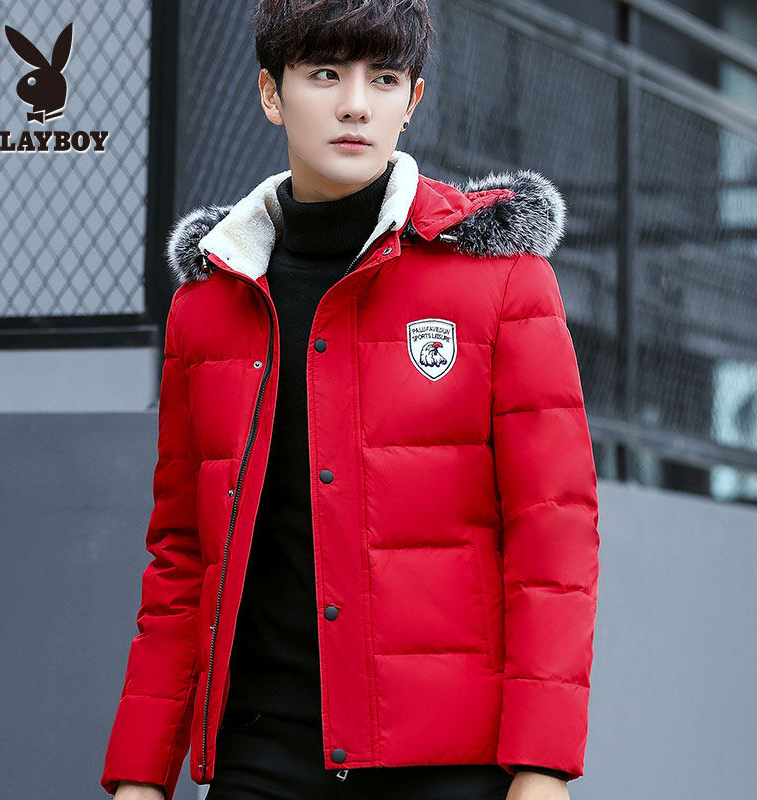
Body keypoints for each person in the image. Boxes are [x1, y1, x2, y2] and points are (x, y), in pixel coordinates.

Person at [101, 1, 600, 799]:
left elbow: (554, 540)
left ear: (413, 101)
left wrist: (543, 768)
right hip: (261, 758)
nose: (356, 104)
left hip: (445, 766)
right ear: (272, 93)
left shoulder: (503, 281)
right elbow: (182, 557)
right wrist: (140, 775)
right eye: (326, 74)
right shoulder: (209, 304)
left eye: (385, 78)